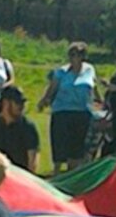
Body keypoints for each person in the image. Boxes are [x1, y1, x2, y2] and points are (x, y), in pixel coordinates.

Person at [38, 42, 99, 173]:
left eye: (76, 55)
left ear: (82, 56)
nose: (72, 58)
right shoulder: (61, 72)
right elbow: (52, 89)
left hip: (82, 112)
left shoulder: (89, 70)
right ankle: (56, 172)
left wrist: (100, 101)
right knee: (60, 144)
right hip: (62, 111)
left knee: (77, 148)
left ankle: (72, 173)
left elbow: (93, 87)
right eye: (71, 55)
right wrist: (44, 101)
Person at [0, 86, 41, 173]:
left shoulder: (27, 127)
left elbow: (32, 160)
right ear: (6, 103)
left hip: (19, 175)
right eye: (18, 103)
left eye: (23, 103)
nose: (22, 106)